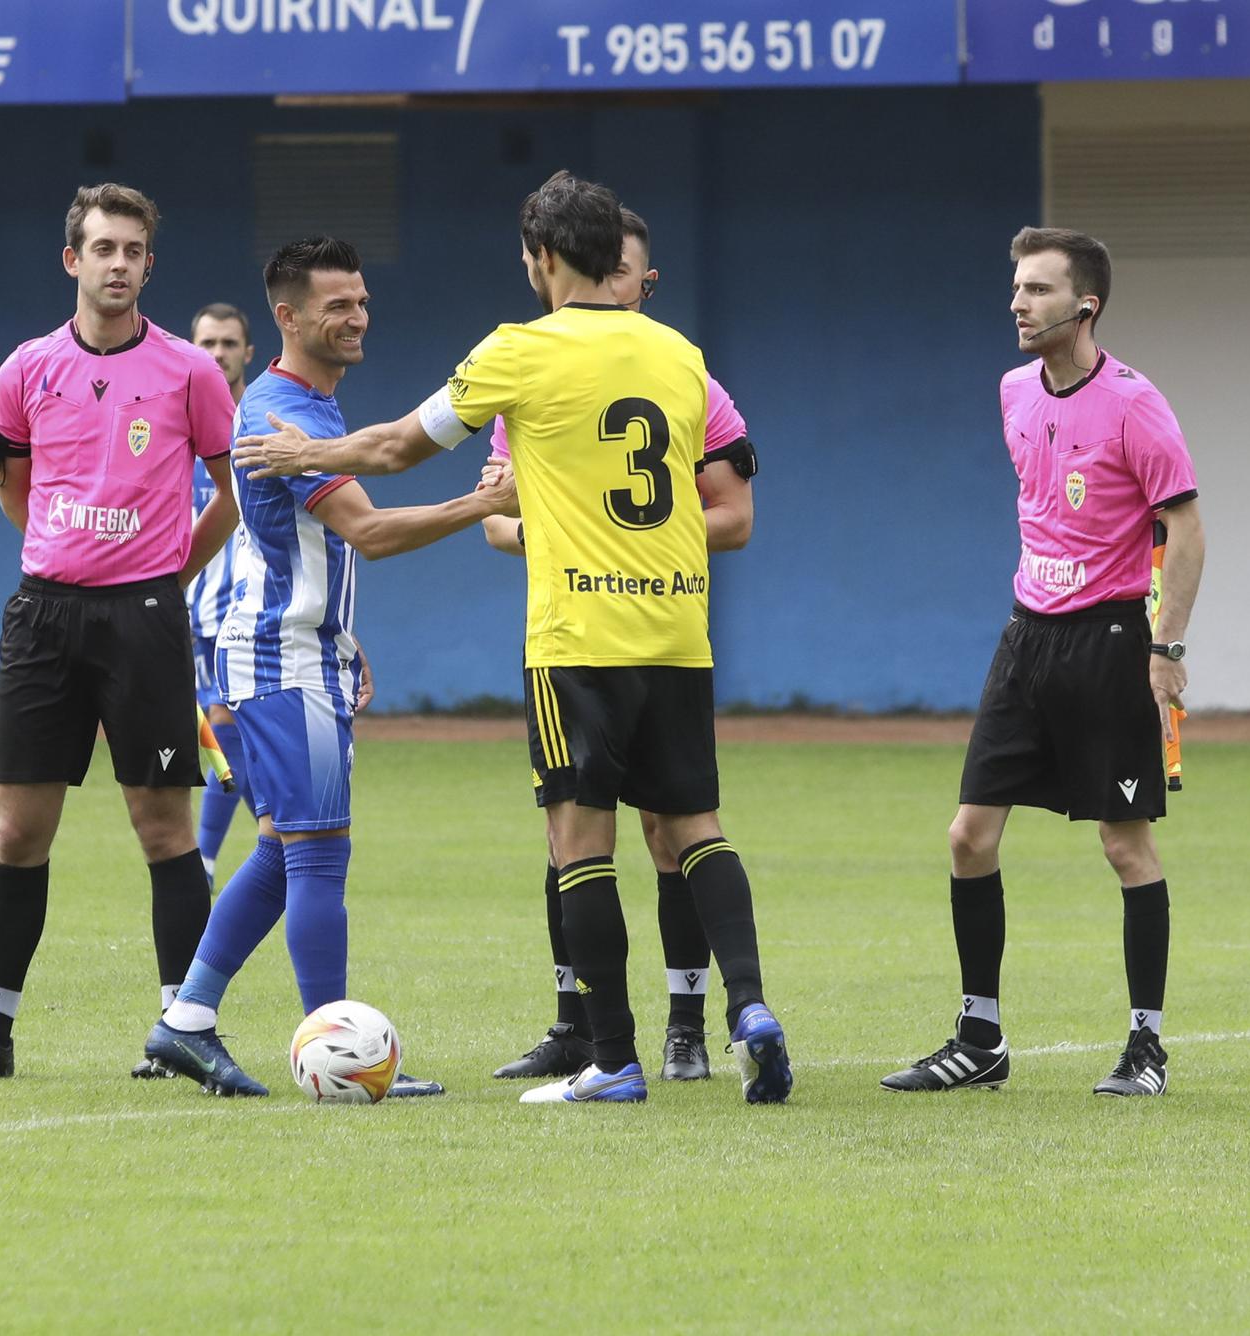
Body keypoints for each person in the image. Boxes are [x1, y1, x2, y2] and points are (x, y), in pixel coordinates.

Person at [233, 171, 792, 1107]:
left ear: (539, 259)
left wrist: (305, 453)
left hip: (578, 635)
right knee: (696, 827)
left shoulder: (518, 351)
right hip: (679, 630)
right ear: (617, 256)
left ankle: (612, 1060)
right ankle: (750, 1008)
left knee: (579, 841)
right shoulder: (681, 356)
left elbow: (399, 447)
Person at [142, 236, 516, 1096]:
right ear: (289, 316)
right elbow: (373, 535)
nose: (357, 317)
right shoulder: (291, 416)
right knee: (318, 856)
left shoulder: (306, 403)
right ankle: (341, 1060)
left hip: (299, 653)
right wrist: (484, 502)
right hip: (284, 664)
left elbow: (304, 547)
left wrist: (341, 636)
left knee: (281, 847)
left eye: (361, 300)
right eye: (337, 305)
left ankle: (186, 1019)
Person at [0, 183, 239, 1081]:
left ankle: (184, 1029)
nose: (119, 265)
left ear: (148, 264)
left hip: (146, 617)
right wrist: (65, 554)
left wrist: (165, 570)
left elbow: (228, 496)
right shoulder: (27, 368)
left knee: (165, 827)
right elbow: (14, 488)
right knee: (20, 831)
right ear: (73, 259)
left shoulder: (190, 372)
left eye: (134, 251)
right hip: (45, 616)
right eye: (103, 249)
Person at [882, 226, 1204, 1098]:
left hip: (1108, 645)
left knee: (1124, 847)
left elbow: (1186, 531)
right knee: (968, 836)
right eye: (1017, 287)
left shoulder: (1138, 405)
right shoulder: (1012, 391)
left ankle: (1147, 1048)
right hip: (1026, 639)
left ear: (1085, 306)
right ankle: (979, 1037)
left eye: (1038, 290)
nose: (1018, 303)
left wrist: (1166, 649)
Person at [480, 206, 759, 1085]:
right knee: (584, 836)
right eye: (617, 269)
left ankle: (675, 1027)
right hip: (649, 627)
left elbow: (736, 517)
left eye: (637, 272)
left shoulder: (686, 374)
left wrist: (611, 538)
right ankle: (578, 1021)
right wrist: (555, 531)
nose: (623, 284)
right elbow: (499, 517)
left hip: (602, 633)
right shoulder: (548, 376)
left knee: (642, 834)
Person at [185, 303, 259, 878]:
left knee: (236, 734)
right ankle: (217, 855)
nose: (217, 354)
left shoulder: (263, 420)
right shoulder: (180, 423)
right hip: (193, 612)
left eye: (228, 343)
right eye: (206, 343)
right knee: (226, 734)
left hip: (256, 611)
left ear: (247, 352)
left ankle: (208, 859)